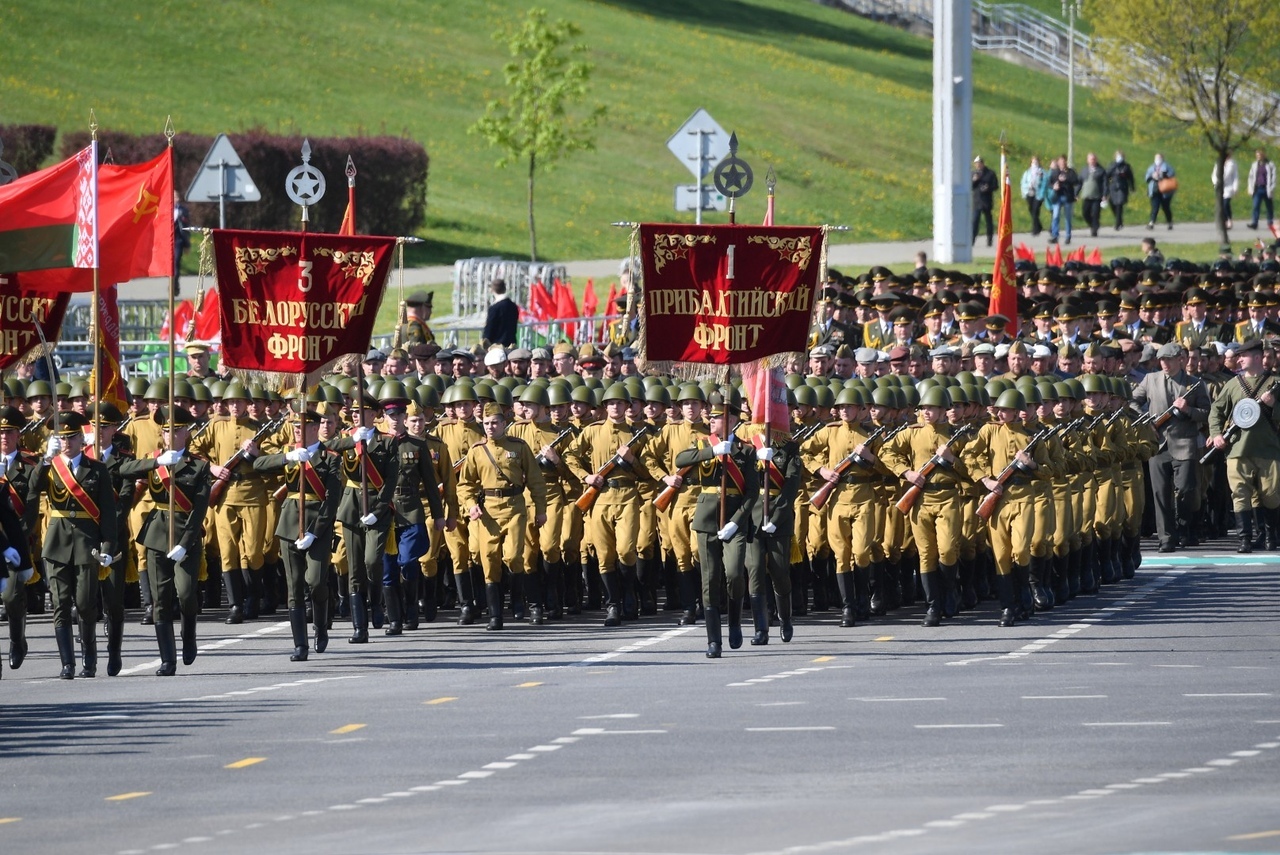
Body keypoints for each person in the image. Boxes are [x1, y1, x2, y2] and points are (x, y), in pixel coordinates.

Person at [118, 406, 210, 676]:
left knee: (186, 594)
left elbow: (200, 507)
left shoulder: (200, 465)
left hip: (186, 536)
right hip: (157, 534)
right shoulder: (153, 459)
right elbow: (124, 469)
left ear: (188, 432)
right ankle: (167, 659)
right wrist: (156, 463)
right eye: (166, 431)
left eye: (177, 430)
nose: (171, 435)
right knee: (160, 599)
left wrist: (185, 541)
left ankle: (189, 632)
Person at [25, 412, 117, 679]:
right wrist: (44, 460)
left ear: (81, 438)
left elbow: (108, 512)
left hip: (86, 542)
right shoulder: (50, 466)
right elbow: (33, 491)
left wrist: (108, 546)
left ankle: (89, 656)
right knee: (60, 604)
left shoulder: (97, 469)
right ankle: (67, 663)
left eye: (71, 437)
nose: (66, 442)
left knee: (86, 603)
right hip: (56, 541)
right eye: (62, 438)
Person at [252, 410, 343, 661]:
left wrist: (314, 532)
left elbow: (332, 500)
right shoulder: (291, 453)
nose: (296, 431)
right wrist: (288, 457)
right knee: (294, 587)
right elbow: (258, 463)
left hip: (318, 526)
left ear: (315, 428)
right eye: (294, 427)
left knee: (315, 582)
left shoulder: (330, 458)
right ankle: (300, 645)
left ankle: (321, 625)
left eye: (301, 427)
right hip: (290, 523)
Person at [674, 394, 757, 658]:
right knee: (709, 580)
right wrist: (712, 451)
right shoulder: (702, 444)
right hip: (708, 518)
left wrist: (735, 523)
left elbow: (753, 493)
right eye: (710, 417)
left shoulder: (747, 451)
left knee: (733, 574)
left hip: (735, 520)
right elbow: (680, 460)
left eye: (717, 417)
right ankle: (714, 641)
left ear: (732, 419)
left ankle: (734, 623)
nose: (711, 420)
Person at [455, 403, 547, 630]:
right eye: (486, 424)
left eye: (495, 423)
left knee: (514, 556)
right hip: (488, 512)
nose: (490, 427)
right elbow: (465, 485)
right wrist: (470, 505)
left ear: (504, 424)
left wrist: (541, 509)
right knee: (489, 561)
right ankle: (495, 616)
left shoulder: (519, 446)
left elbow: (535, 480)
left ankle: (517, 599)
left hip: (515, 507)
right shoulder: (477, 450)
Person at [1132, 342, 1210, 553]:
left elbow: (1206, 413)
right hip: (1157, 445)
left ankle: (1184, 527)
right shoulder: (1150, 379)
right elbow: (1132, 402)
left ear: (1180, 360)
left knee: (1186, 489)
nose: (1164, 363)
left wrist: (1189, 410)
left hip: (1185, 444)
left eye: (1168, 359)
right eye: (1161, 360)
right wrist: (1146, 421)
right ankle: (1166, 538)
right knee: (1160, 494)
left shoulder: (1194, 383)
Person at [1207, 338, 1280, 552]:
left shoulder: (1274, 383)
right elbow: (1216, 411)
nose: (1239, 360)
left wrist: (1274, 405)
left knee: (1271, 494)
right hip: (1237, 449)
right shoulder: (1232, 384)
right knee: (1239, 494)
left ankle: (1269, 535)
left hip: (1268, 449)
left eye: (1243, 356)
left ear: (1257, 357)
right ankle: (1245, 539)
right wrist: (1216, 433)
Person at [1047, 155, 1078, 245]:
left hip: (1067, 197)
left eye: (1063, 162)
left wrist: (1066, 179)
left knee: (1067, 217)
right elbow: (1049, 183)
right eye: (1060, 162)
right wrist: (1054, 186)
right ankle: (1055, 236)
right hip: (1057, 197)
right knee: (1055, 215)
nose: (1062, 163)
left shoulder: (1070, 172)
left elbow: (1076, 181)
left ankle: (1068, 236)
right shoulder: (1055, 172)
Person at [482, 278, 519, 347]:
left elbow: (490, 328)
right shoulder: (513, 306)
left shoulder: (494, 308)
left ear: (492, 290)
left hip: (496, 345)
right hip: (511, 344)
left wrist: (485, 341)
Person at [971, 155, 998, 246]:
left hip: (987, 201)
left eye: (979, 164)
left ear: (982, 163)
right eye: (976, 164)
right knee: (975, 221)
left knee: (988, 222)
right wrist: (974, 180)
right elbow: (970, 187)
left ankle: (989, 240)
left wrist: (988, 188)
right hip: (977, 201)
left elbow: (995, 186)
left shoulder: (990, 173)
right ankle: (972, 240)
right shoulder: (973, 174)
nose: (978, 166)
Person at [1078, 152, 1107, 238]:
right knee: (1085, 213)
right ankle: (1093, 225)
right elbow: (1079, 182)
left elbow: (1105, 184)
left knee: (1095, 213)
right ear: (1087, 160)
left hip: (1097, 197)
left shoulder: (1101, 170)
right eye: (1091, 159)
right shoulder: (1084, 170)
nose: (1092, 161)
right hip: (1086, 196)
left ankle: (1094, 230)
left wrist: (1105, 195)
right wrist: (1076, 193)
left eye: (1094, 159)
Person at [1145, 153, 1176, 230]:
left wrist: (1163, 175)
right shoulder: (1151, 167)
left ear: (1162, 159)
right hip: (1154, 190)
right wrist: (1152, 176)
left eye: (1159, 158)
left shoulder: (1167, 166)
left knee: (1166, 207)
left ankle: (1169, 222)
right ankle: (1151, 223)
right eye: (1156, 158)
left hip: (1165, 191)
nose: (1157, 160)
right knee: (1155, 207)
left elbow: (1172, 174)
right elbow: (1147, 178)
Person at [1106, 150, 1135, 230]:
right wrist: (1106, 186)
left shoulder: (1126, 166)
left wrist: (1132, 188)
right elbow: (1106, 176)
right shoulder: (1112, 165)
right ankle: (1119, 220)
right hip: (1113, 187)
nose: (1120, 157)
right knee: (1112, 204)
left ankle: (1117, 224)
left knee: (1119, 204)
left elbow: (1131, 178)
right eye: (1118, 155)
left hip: (1122, 188)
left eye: (1121, 156)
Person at [1247, 148, 1275, 231]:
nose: (1258, 156)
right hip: (1257, 188)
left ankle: (1270, 223)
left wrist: (1272, 187)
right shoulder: (1254, 165)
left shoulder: (1270, 164)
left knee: (1269, 207)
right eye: (1257, 155)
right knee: (1256, 206)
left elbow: (1273, 177)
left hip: (1267, 188)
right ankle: (1254, 223)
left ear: (1264, 155)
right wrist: (1250, 188)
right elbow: (1251, 177)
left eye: (1259, 154)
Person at [1212, 150, 1240, 231]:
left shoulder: (1233, 164)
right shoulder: (1219, 163)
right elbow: (1214, 174)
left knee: (1225, 204)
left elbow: (1235, 176)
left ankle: (1229, 220)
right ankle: (1224, 221)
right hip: (1220, 187)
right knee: (1222, 205)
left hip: (1229, 187)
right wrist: (1215, 182)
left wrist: (1235, 188)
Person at [1020, 155, 1047, 236]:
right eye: (1033, 162)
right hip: (1029, 193)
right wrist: (1028, 187)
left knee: (1035, 210)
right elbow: (1023, 182)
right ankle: (1039, 225)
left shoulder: (1042, 172)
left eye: (1036, 162)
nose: (1034, 163)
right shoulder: (1027, 172)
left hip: (1038, 194)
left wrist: (1039, 187)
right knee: (1031, 210)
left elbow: (1044, 182)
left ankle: (1035, 229)